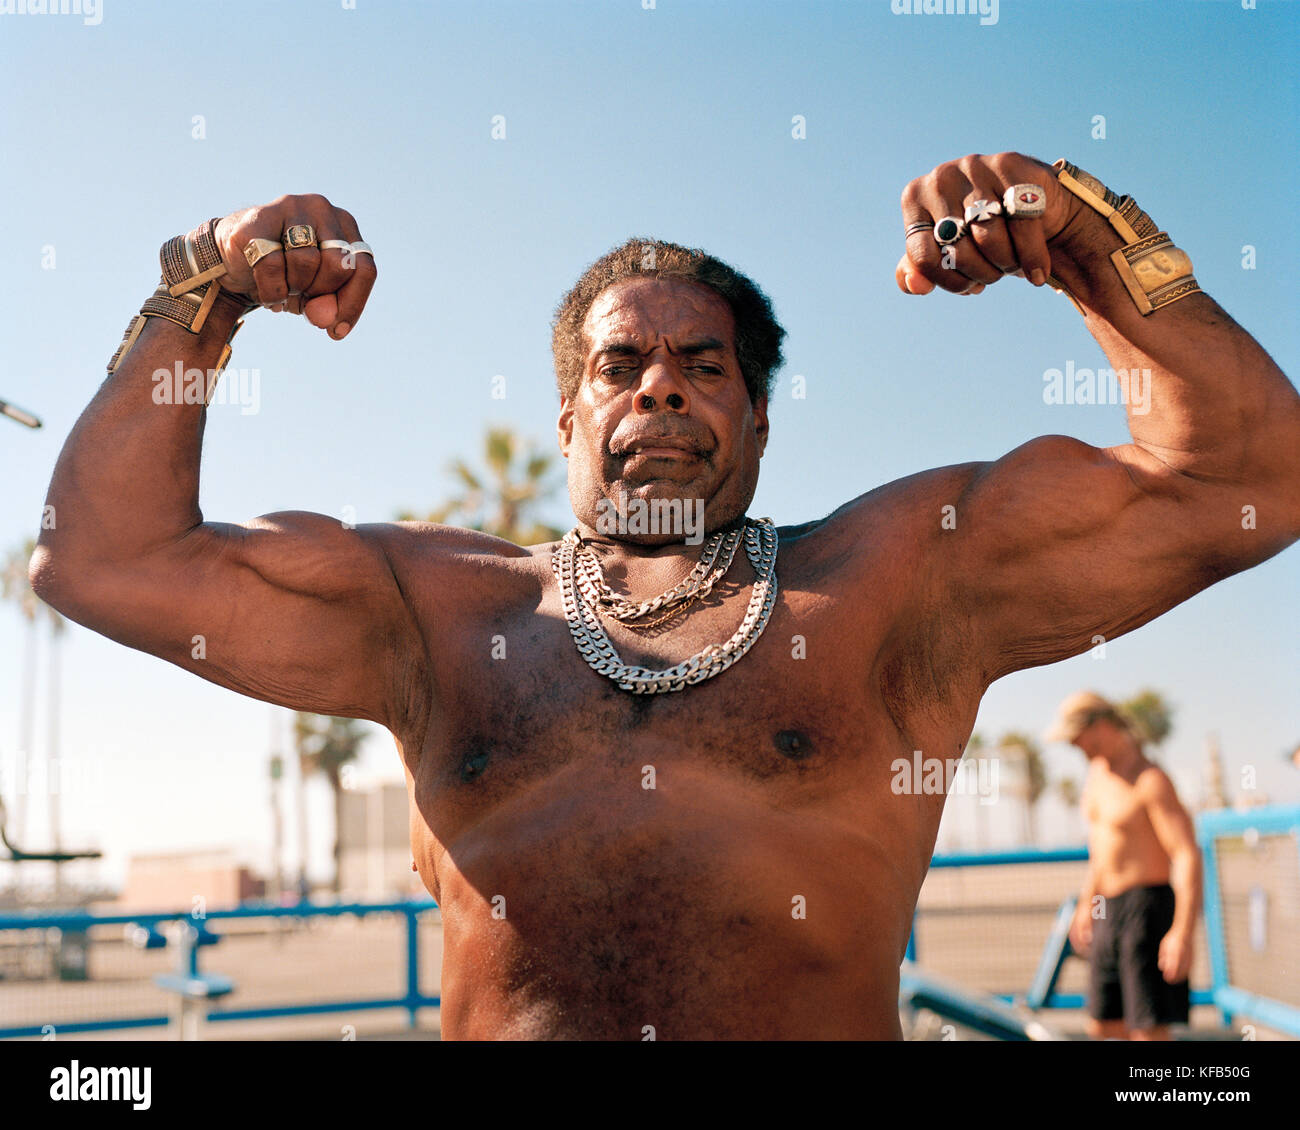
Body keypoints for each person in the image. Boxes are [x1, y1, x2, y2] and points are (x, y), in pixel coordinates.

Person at [30, 152, 1299, 1038]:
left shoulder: (899, 582)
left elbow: (1250, 475)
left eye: (704, 363)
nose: (660, 388)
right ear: (570, 415)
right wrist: (201, 297)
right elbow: (104, 557)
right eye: (620, 363)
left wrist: (1091, 243)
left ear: (754, 417)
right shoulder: (435, 609)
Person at [1050, 692, 1200, 1041]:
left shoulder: (1150, 780)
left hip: (1147, 910)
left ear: (1100, 726)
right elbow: (1101, 852)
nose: (1074, 746)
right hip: (1108, 910)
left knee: (1147, 1030)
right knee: (1102, 1026)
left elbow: (1186, 854)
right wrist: (1087, 906)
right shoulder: (1096, 776)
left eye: (1077, 737)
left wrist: (1182, 931)